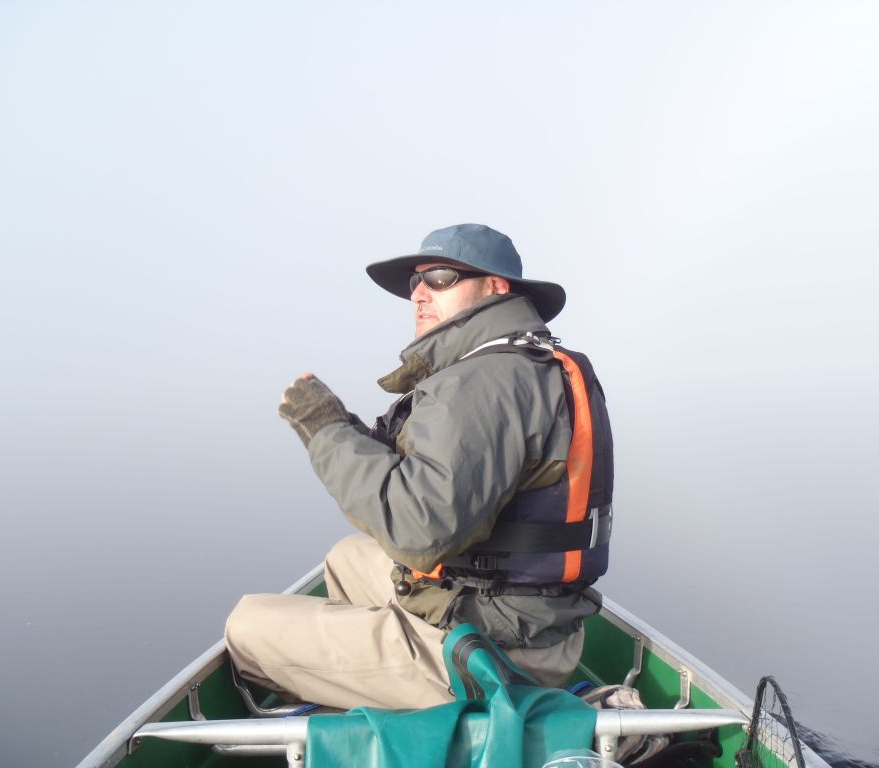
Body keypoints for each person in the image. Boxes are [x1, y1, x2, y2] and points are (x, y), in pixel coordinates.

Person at [225, 223, 613, 710]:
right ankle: (373, 683)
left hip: (495, 653)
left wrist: (321, 429)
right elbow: (442, 474)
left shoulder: (481, 384)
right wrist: (345, 427)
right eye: (415, 282)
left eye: (441, 277)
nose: (420, 294)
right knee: (349, 556)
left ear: (496, 287)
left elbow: (417, 531)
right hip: (535, 623)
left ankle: (412, 703)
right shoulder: (532, 363)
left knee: (246, 626)